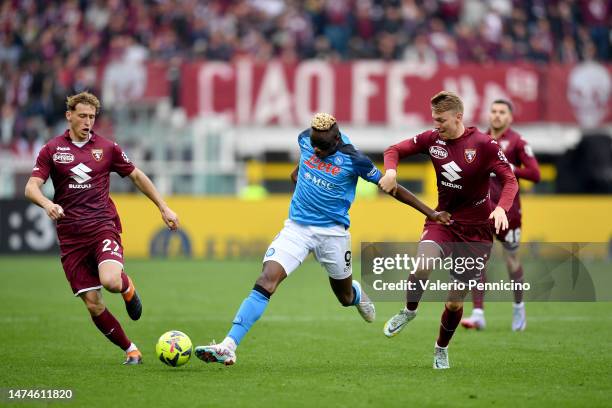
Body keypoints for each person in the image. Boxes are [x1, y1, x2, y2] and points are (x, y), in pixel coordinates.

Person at [194, 112, 451, 366]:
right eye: (314, 145)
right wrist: (302, 185)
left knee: (343, 297)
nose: (316, 151)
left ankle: (357, 294)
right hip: (297, 229)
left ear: (337, 139)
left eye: (323, 147)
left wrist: (431, 212)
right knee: (266, 281)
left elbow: (392, 188)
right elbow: (300, 168)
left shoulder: (354, 159)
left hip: (333, 235)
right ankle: (229, 346)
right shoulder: (305, 139)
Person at [24, 91, 179, 365]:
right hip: (71, 236)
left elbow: (136, 176)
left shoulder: (107, 148)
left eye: (92, 117)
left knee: (110, 282)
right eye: (82, 116)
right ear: (69, 116)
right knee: (93, 303)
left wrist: (163, 207)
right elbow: (31, 187)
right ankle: (131, 349)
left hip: (102, 226)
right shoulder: (52, 149)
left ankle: (126, 287)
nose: (87, 122)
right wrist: (46, 204)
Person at [379, 91, 518, 369]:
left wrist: (501, 207)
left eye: (441, 120)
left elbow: (510, 180)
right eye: (433, 119)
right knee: (422, 265)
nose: (436, 125)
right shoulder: (432, 140)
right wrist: (391, 171)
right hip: (443, 220)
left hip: (477, 232)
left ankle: (441, 348)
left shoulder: (485, 144)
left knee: (454, 303)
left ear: (458, 116)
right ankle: (409, 311)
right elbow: (393, 150)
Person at [460, 99, 540, 332]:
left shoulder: (517, 142)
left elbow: (535, 174)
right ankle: (478, 313)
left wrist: (511, 168)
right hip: (483, 210)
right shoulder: (479, 141)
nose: (496, 116)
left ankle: (518, 308)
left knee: (511, 260)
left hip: (509, 212)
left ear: (510, 117)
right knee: (478, 260)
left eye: (502, 112)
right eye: (493, 111)